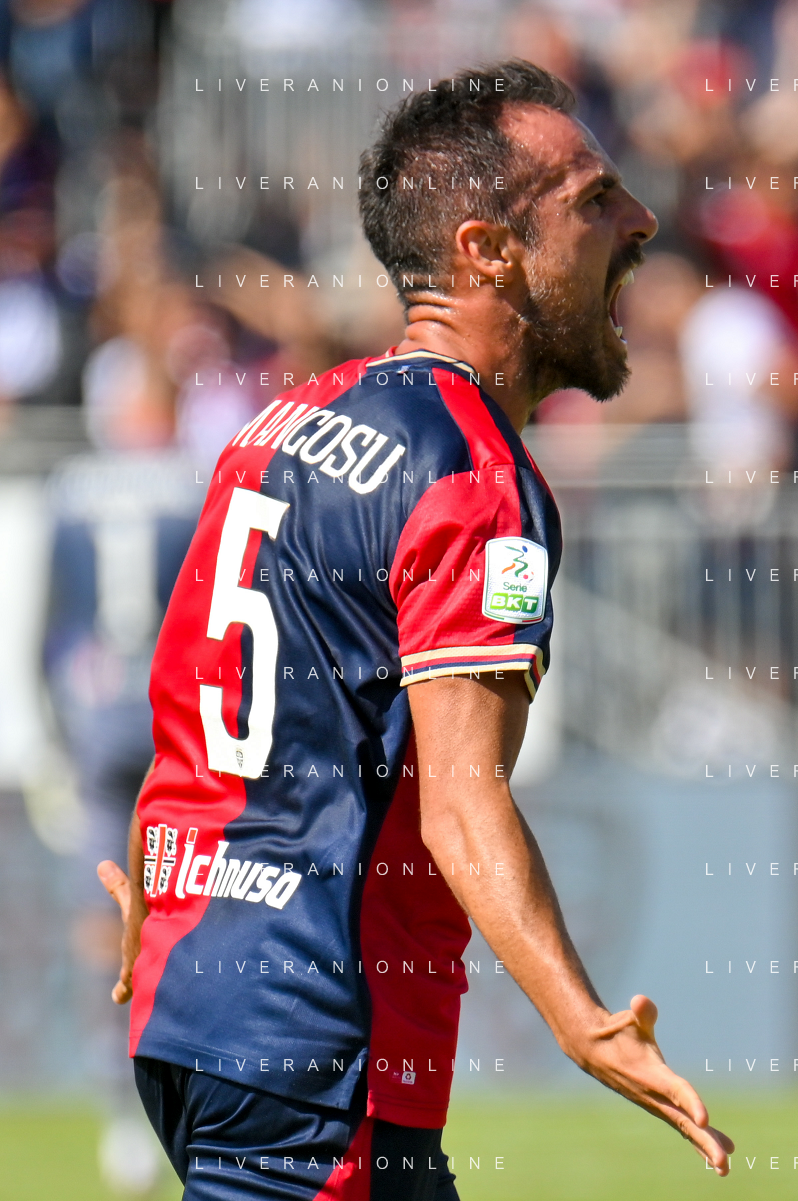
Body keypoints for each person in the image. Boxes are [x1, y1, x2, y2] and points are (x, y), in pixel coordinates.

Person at [98, 60, 734, 1199]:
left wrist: (163, 882)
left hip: (196, 1008)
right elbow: (460, 802)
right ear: (488, 250)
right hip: (316, 1039)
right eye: (594, 200)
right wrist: (584, 1022)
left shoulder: (286, 419)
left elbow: (195, 693)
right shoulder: (473, 475)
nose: (641, 220)